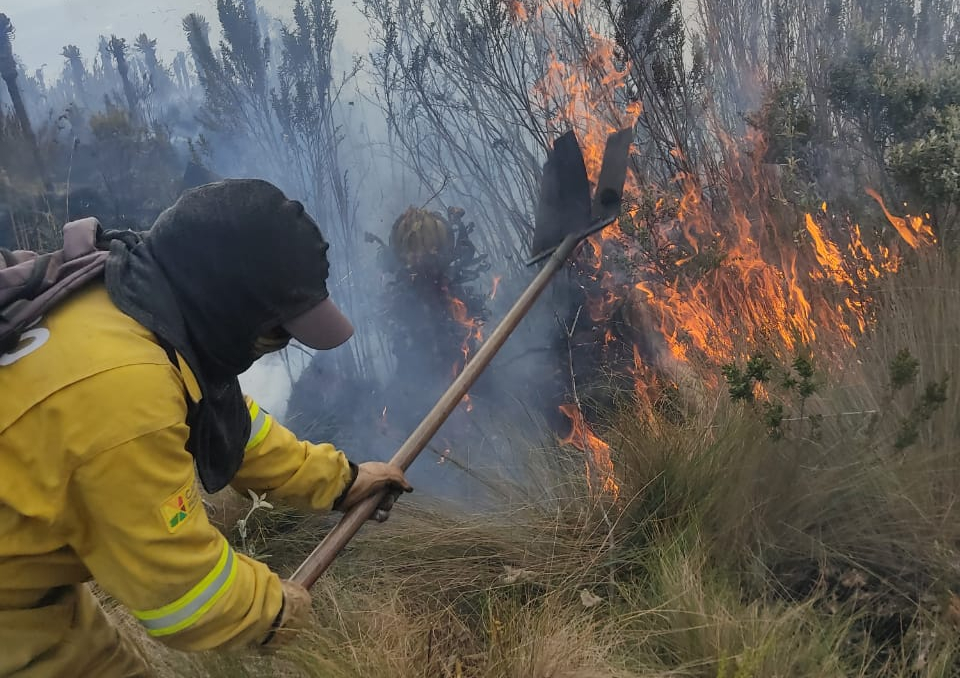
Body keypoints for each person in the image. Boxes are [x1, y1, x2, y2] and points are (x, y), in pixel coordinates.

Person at [0, 179, 412, 677]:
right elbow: (180, 591)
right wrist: (273, 610)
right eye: (277, 329)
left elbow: (234, 428)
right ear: (227, 304)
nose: (280, 343)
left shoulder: (129, 305)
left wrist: (342, 481)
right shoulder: (122, 399)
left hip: (29, 584)